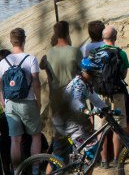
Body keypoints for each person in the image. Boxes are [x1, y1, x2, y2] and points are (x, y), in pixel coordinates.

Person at [1, 28, 42, 168]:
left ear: (11, 42)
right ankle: (36, 170)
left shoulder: (2, 62)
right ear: (24, 39)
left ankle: (17, 170)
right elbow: (36, 83)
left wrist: (3, 102)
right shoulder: (31, 59)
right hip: (28, 102)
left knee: (15, 140)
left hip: (10, 104)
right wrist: (39, 102)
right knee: (35, 136)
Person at [42, 20, 82, 161]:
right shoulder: (75, 51)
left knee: (60, 130)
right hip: (73, 95)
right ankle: (73, 158)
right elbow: (82, 72)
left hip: (56, 96)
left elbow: (45, 69)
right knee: (77, 129)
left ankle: (58, 160)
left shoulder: (49, 53)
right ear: (67, 33)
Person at [93, 26, 129, 168]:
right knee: (118, 127)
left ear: (103, 38)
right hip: (117, 94)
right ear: (115, 38)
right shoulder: (120, 53)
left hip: (100, 95)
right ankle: (116, 158)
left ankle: (103, 160)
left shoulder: (95, 53)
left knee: (100, 129)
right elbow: (124, 75)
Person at [57, 57, 108, 159]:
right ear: (86, 72)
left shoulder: (85, 83)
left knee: (59, 156)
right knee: (91, 153)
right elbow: (75, 102)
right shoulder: (78, 84)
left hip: (70, 120)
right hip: (68, 122)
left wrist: (107, 109)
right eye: (93, 73)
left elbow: (96, 100)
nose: (95, 76)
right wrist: (87, 111)